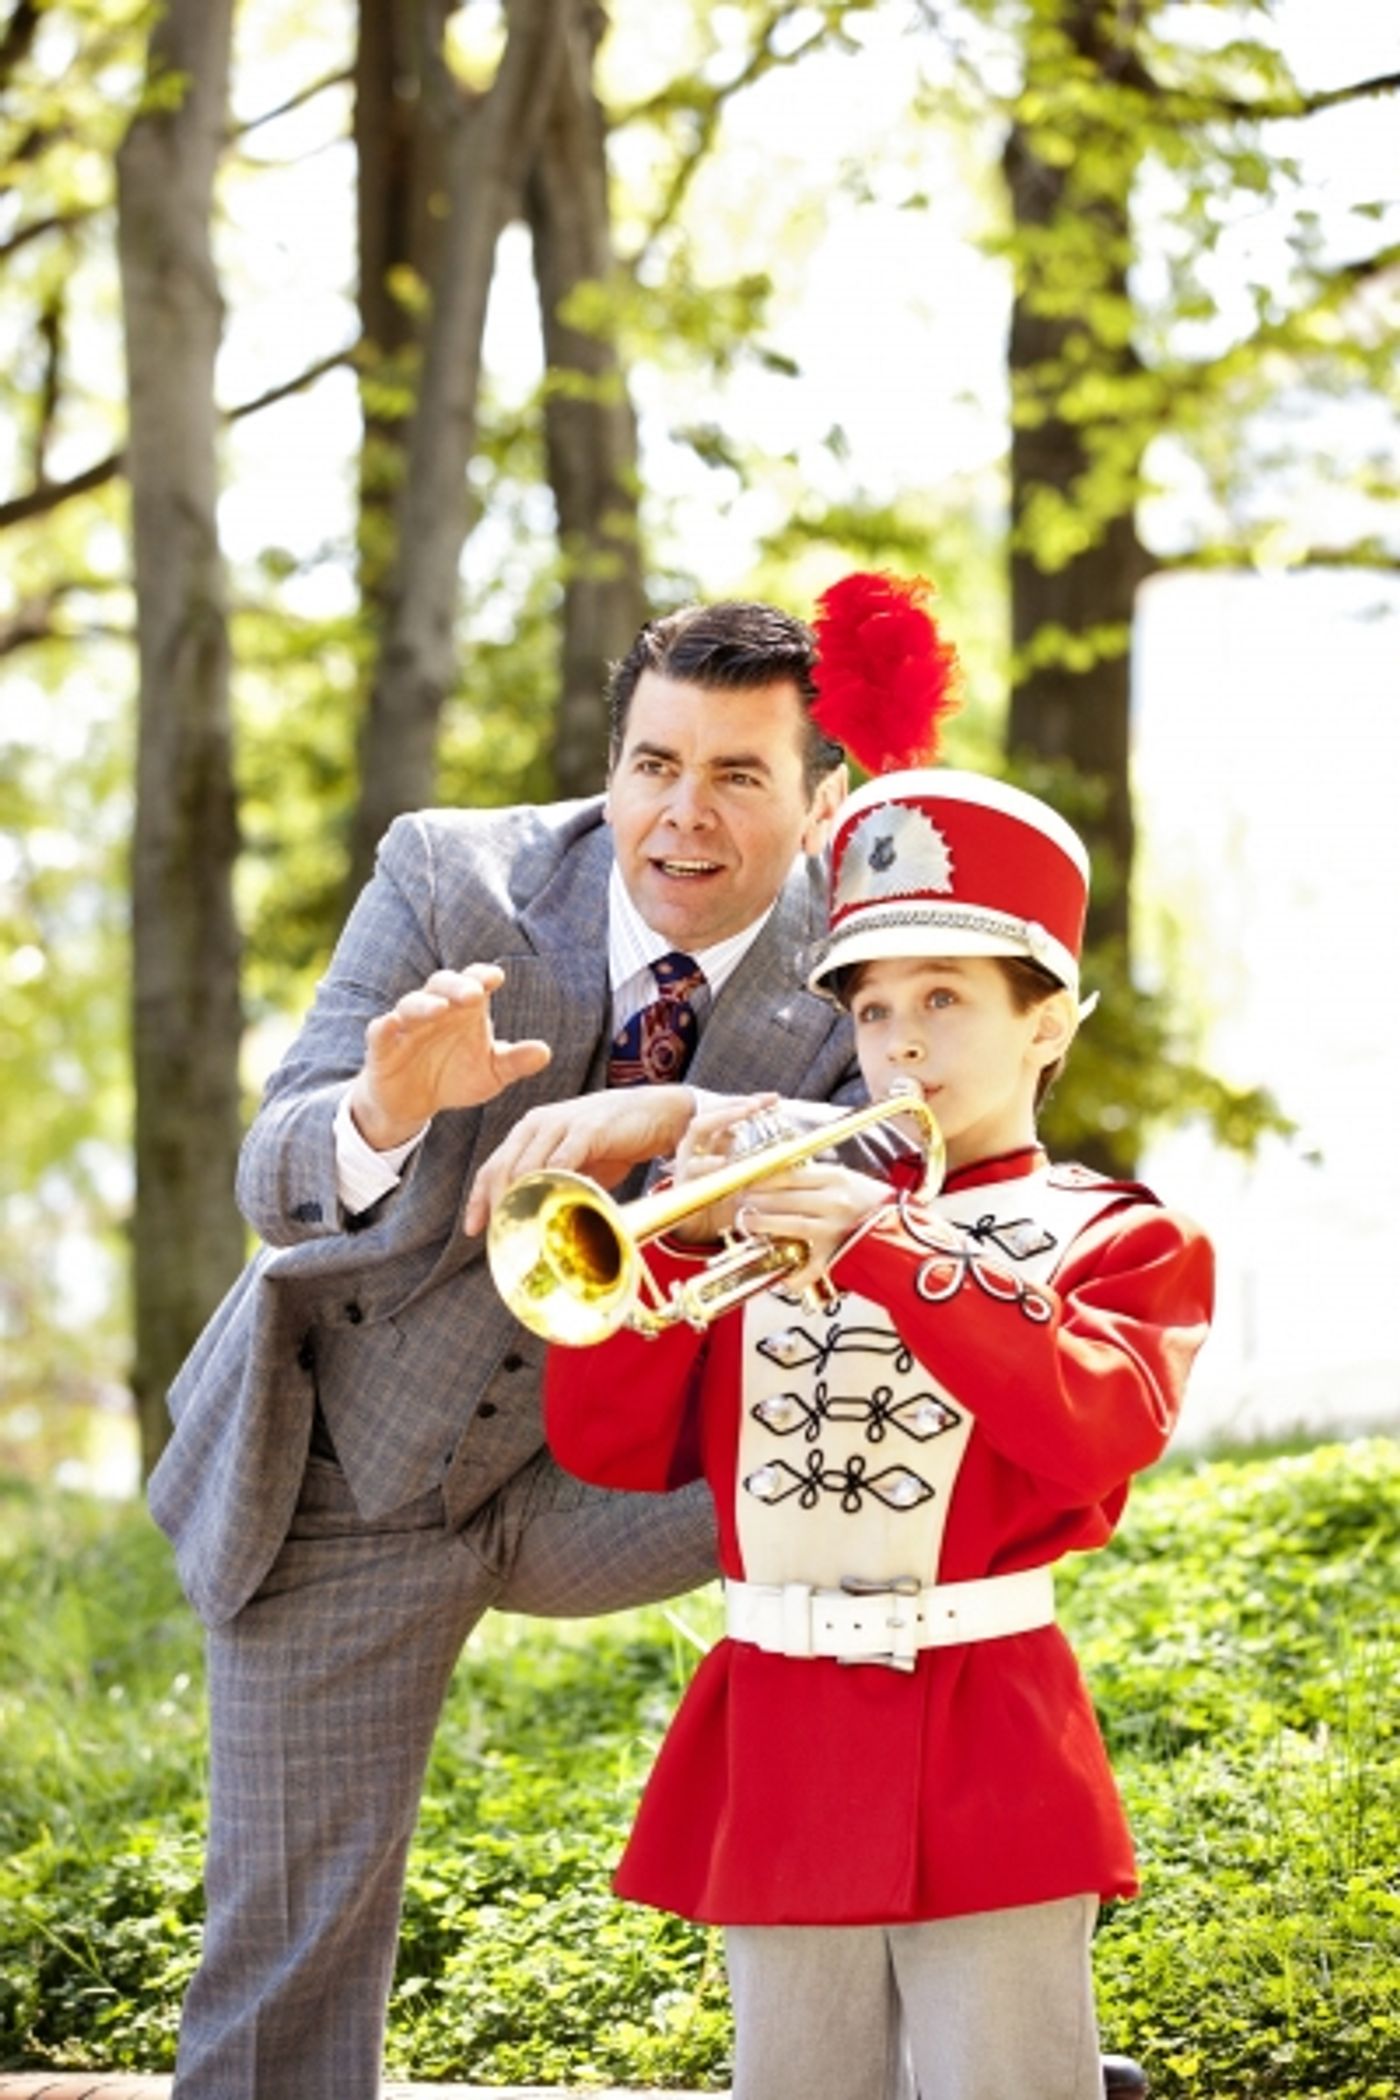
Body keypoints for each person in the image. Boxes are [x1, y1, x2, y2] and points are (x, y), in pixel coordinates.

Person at [146, 597, 866, 2100]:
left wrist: (681, 1118)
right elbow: (273, 1171)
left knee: (920, 1464)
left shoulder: (860, 941)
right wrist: (382, 1112)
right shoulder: (450, 873)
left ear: (824, 804)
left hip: (645, 1471)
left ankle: (949, 2021)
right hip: (361, 1460)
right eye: (653, 763)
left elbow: (935, 1163)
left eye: (740, 775)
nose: (683, 814)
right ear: (608, 764)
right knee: (281, 1964)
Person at [544, 607, 1215, 2100]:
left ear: (1050, 1026)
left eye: (947, 1002)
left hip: (989, 1741)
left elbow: (1096, 1431)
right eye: (874, 1007)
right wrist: (664, 1227)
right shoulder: (773, 1206)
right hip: (776, 1738)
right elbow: (605, 1441)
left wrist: (894, 1248)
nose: (901, 1045)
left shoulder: (1117, 1235)